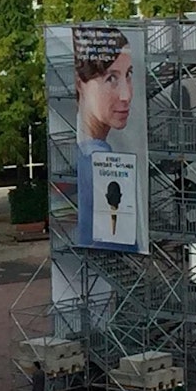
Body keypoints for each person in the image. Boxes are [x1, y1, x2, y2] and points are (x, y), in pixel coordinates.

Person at [73, 26, 135, 248]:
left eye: (128, 75)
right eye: (111, 78)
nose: (126, 95)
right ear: (80, 84)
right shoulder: (96, 161)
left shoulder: (82, 151)